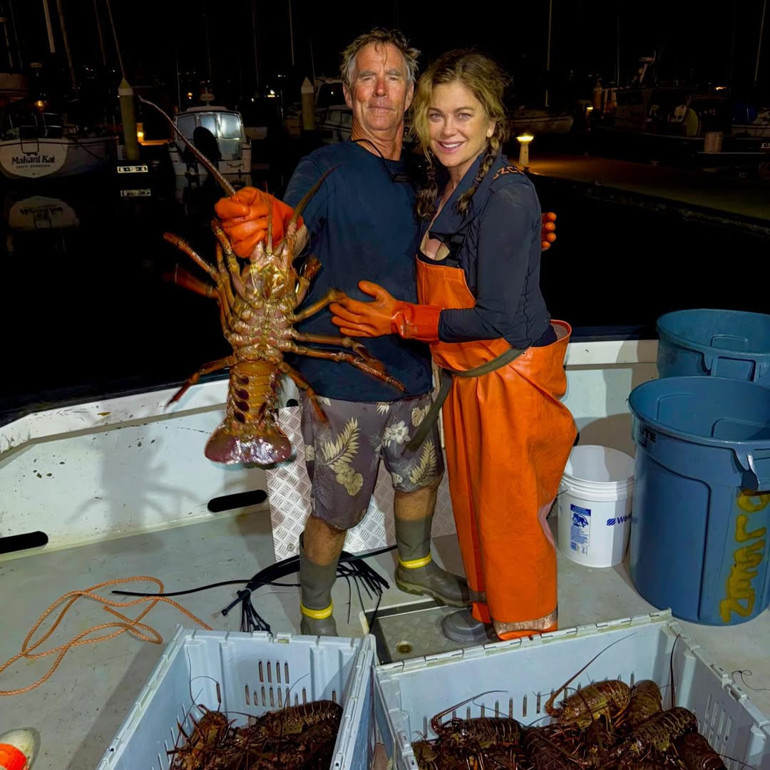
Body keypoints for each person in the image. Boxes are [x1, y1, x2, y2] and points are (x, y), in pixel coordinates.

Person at [215, 28, 469, 636]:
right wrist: (270, 228)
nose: (380, 90)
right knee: (335, 510)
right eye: (367, 78)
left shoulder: (428, 170)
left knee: (421, 478)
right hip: (342, 381)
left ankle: (414, 565)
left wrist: (517, 237)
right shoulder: (323, 167)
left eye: (393, 78)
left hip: (415, 364)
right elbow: (293, 234)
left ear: (410, 94)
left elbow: (455, 247)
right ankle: (316, 609)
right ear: (349, 93)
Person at [330, 49, 577, 643]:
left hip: (509, 377)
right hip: (469, 377)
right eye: (437, 115)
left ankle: (525, 633)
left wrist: (400, 319)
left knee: (509, 516)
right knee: (473, 504)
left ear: (493, 122)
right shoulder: (453, 183)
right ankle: (489, 608)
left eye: (464, 115)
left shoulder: (506, 195)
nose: (447, 130)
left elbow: (500, 318)